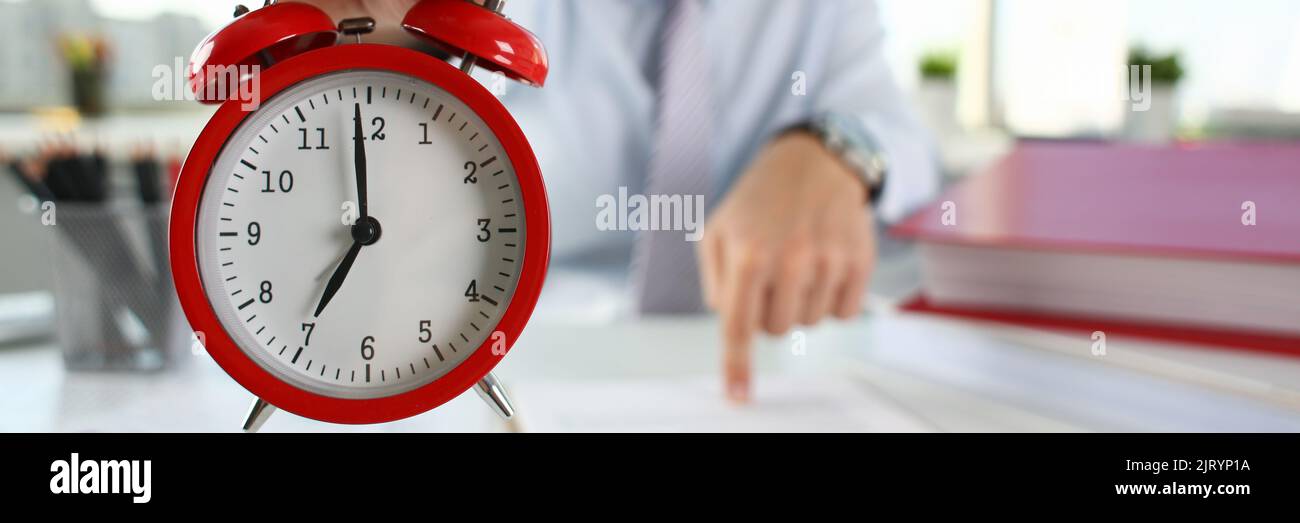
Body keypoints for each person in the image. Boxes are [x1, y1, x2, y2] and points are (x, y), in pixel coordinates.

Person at [298, 0, 939, 402]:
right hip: (515, 352)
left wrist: (835, 149)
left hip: (759, 364)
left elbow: (903, 139)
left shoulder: (824, 12)